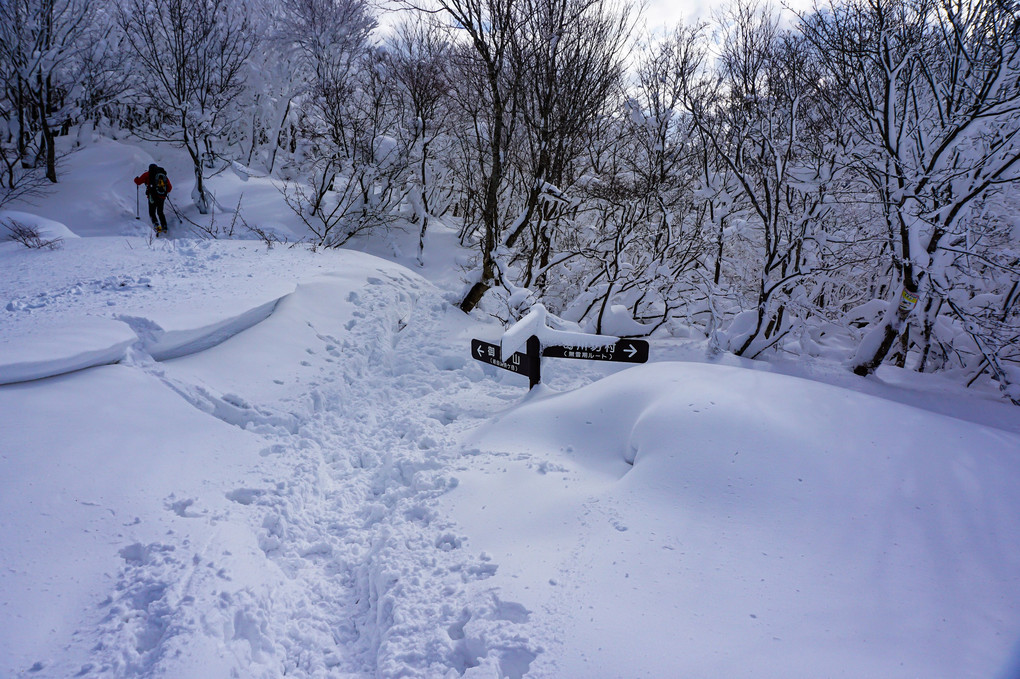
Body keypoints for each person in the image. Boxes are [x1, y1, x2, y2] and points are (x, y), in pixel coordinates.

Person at [134, 164, 172, 234]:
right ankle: (164, 227)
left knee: (152, 213)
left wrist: (136, 179)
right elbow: (169, 187)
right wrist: (163, 191)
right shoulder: (162, 175)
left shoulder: (147, 174)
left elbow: (138, 182)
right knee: (160, 212)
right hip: (162, 197)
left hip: (152, 196)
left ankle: (157, 226)